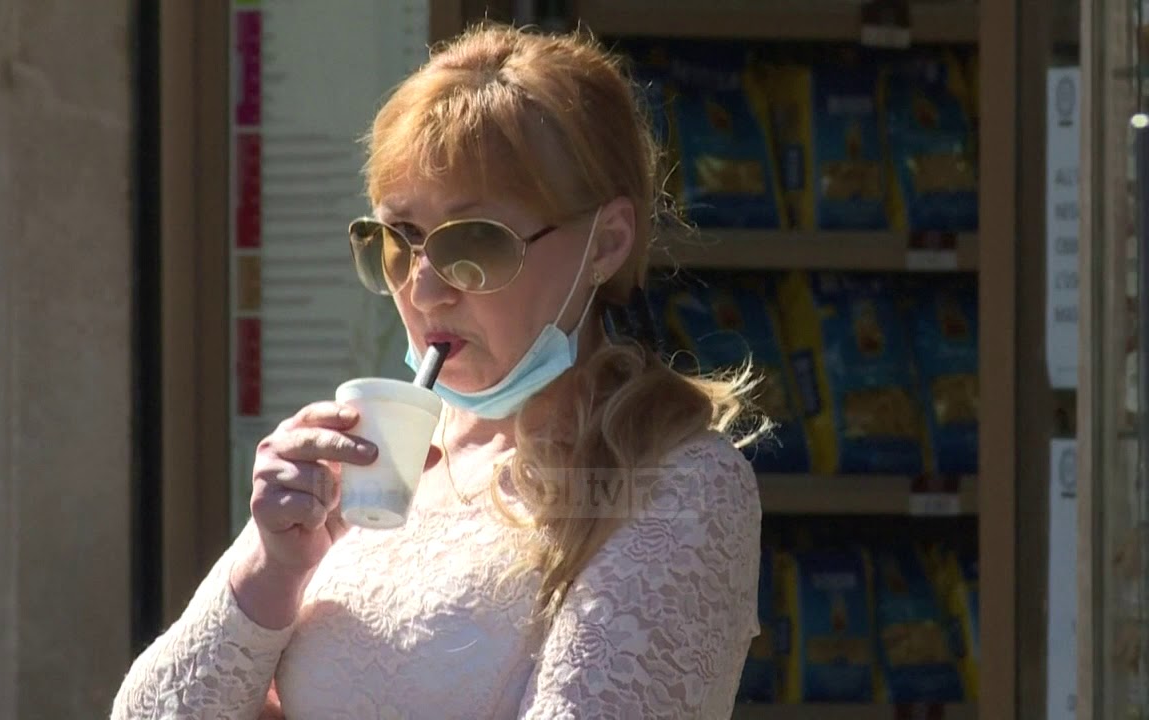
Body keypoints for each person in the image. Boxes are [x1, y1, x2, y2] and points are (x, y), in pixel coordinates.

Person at [111, 21, 765, 720]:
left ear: (605, 244)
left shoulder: (678, 481)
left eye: (475, 243)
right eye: (398, 240)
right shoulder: (375, 456)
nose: (423, 291)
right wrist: (270, 567)